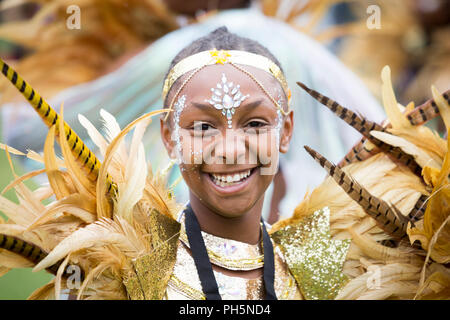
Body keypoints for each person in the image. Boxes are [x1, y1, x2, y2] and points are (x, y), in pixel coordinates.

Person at [0, 27, 448, 300]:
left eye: (255, 123)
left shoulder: (324, 252)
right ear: (169, 138)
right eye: (202, 127)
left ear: (286, 131)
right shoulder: (126, 260)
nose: (230, 149)